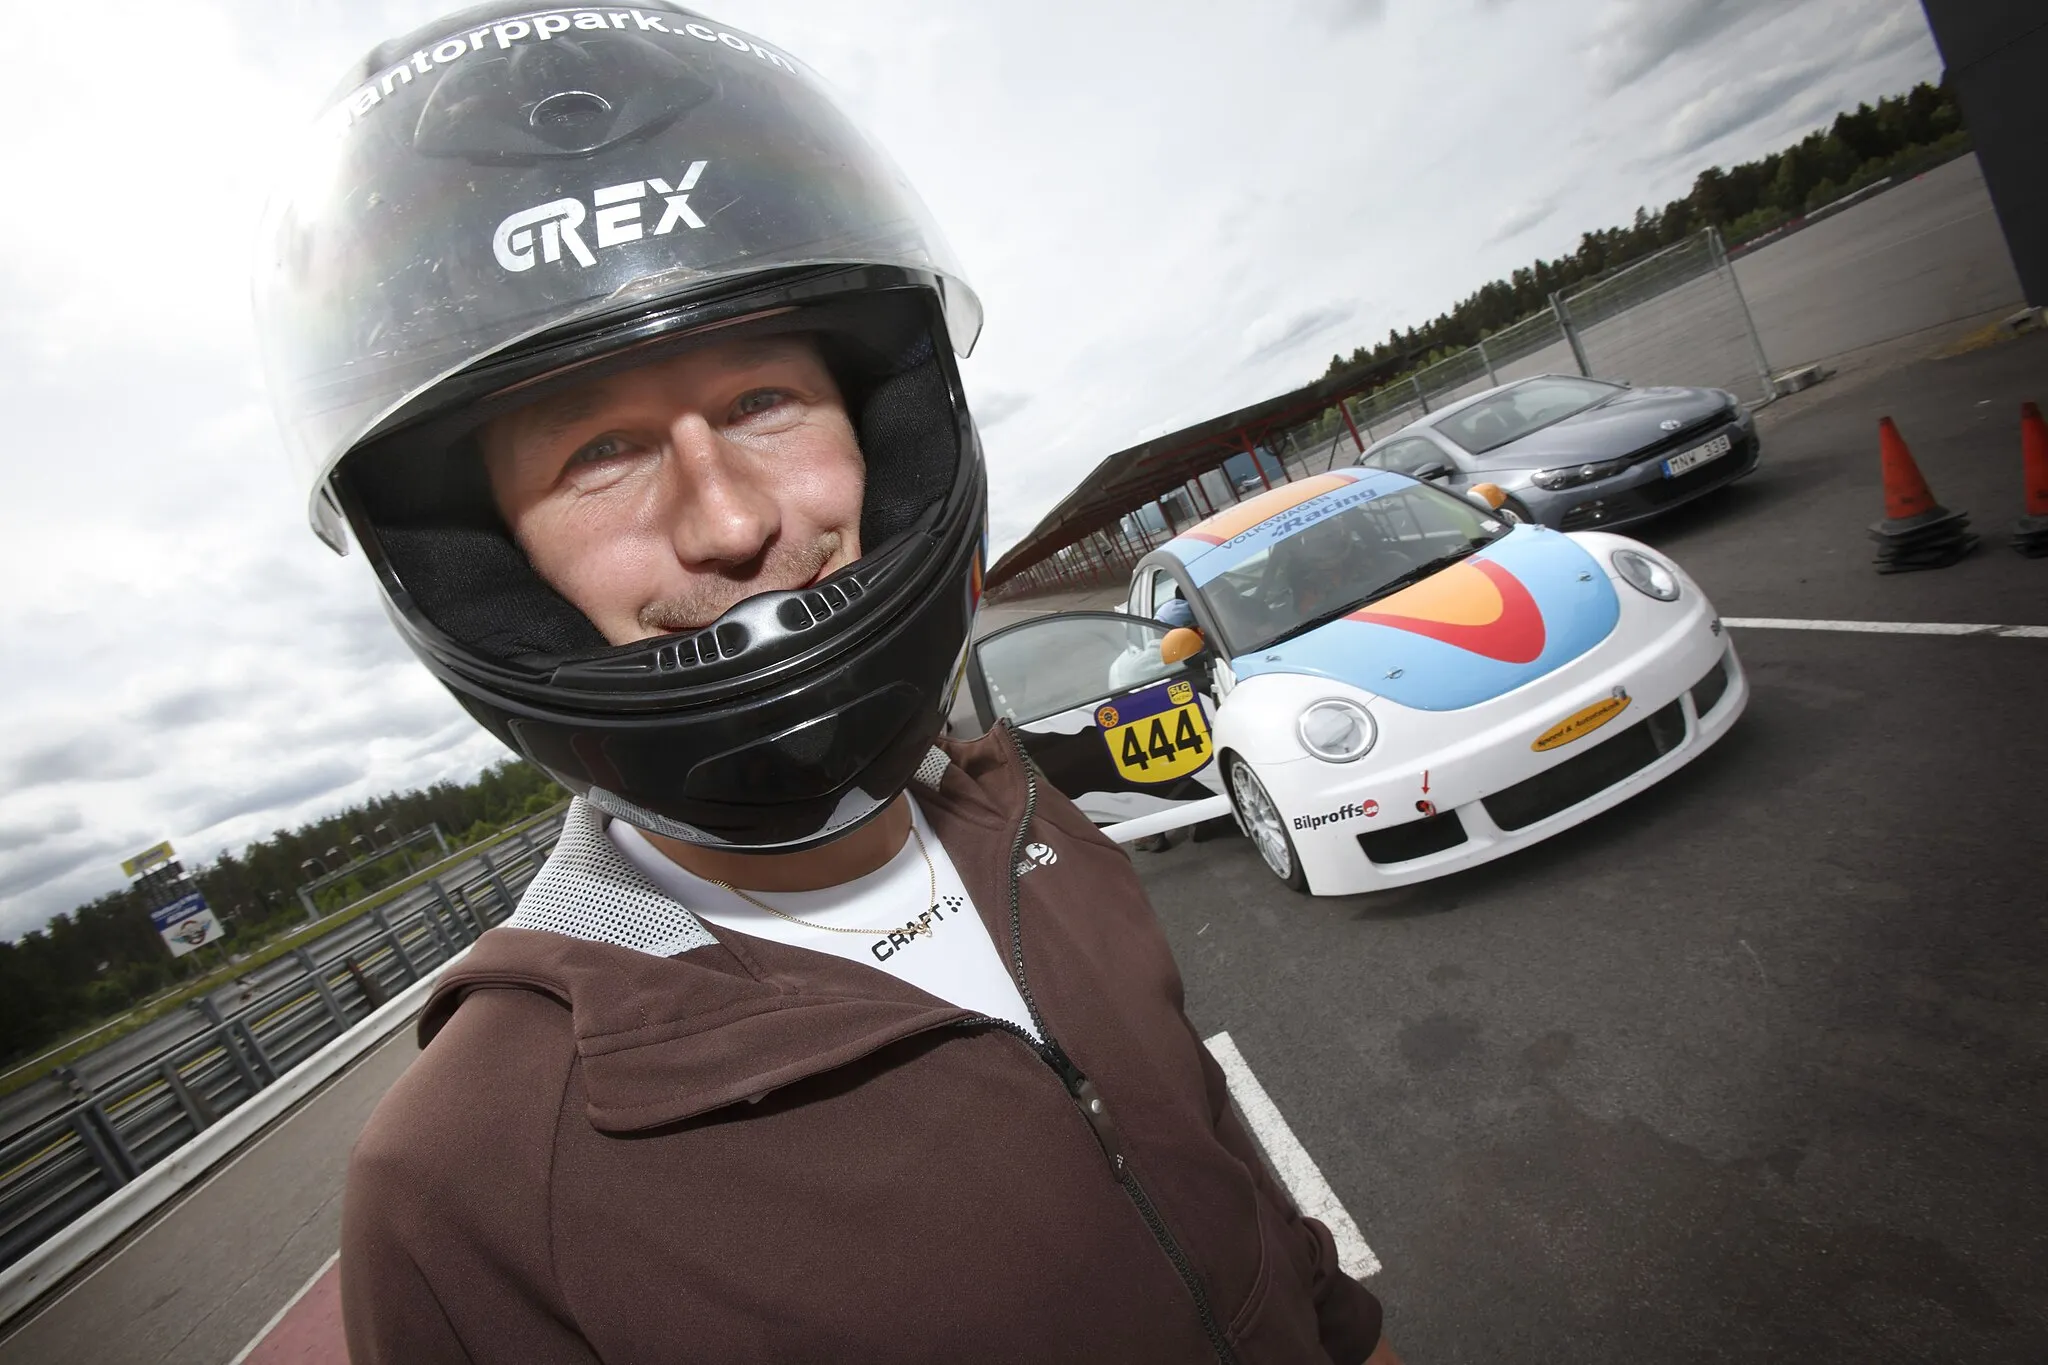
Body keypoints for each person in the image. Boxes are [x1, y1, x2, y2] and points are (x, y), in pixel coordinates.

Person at [254, 4, 1399, 1361]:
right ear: (487, 571)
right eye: (600, 454)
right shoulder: (469, 1188)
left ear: (886, 434)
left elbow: (1238, 1195)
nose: (731, 519)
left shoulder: (1030, 827)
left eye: (761, 405)